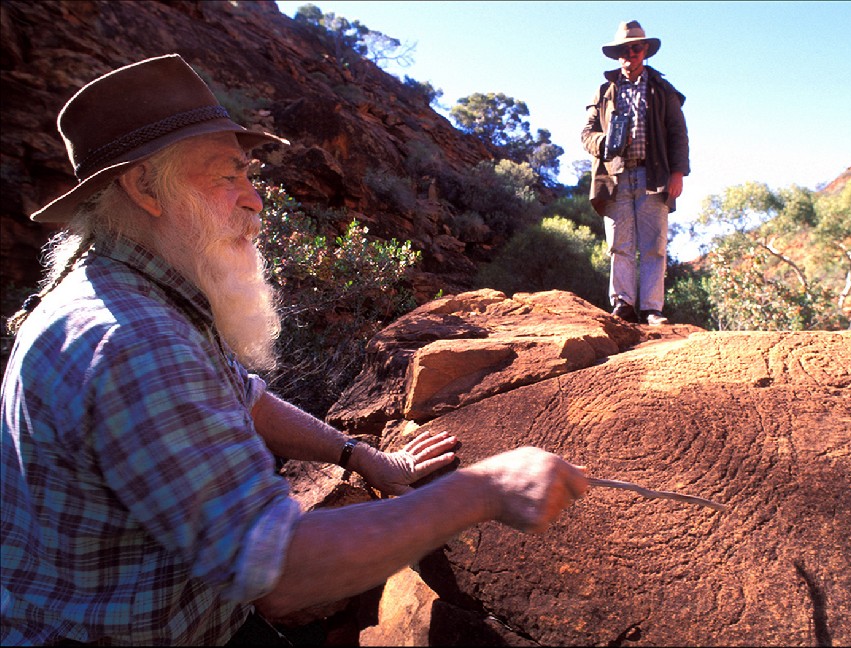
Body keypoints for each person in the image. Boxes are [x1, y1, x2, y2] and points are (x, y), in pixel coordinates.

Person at [0, 54, 587, 646]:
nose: (255, 200)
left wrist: (360, 456)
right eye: (228, 176)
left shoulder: (133, 291)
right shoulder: (134, 339)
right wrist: (484, 490)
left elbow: (242, 397)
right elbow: (276, 570)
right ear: (144, 187)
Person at [581, 20, 690, 326]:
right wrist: (607, 143)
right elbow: (586, 134)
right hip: (613, 178)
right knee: (619, 245)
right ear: (617, 55)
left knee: (654, 246)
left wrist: (678, 172)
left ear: (645, 51)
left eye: (636, 47)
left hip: (653, 176)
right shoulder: (604, 91)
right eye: (624, 49)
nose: (630, 54)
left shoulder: (662, 90)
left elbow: (678, 134)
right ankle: (623, 304)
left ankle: (652, 309)